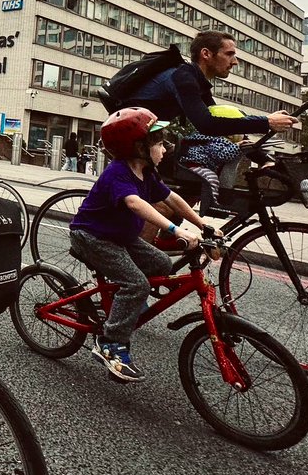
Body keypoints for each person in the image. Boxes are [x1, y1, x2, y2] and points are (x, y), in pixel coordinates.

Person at [68, 107, 210, 382]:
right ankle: (110, 344)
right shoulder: (118, 173)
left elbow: (172, 199)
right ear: (138, 147)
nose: (165, 148)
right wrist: (175, 229)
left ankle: (122, 304)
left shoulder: (147, 173)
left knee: (162, 263)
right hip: (92, 237)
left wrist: (203, 224)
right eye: (159, 143)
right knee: (137, 284)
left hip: (120, 237)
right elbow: (135, 203)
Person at [133, 30, 298, 137]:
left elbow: (219, 118)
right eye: (229, 54)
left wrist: (261, 158)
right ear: (206, 54)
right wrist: (267, 122)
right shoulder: (183, 77)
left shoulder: (196, 81)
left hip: (145, 136)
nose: (235, 62)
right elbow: (208, 125)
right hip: (132, 138)